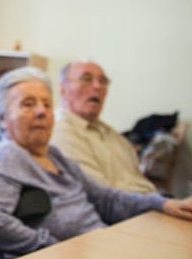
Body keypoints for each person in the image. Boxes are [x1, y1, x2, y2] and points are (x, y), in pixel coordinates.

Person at [0, 67, 192, 256]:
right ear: (2, 118)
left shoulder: (54, 156)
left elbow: (106, 198)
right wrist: (50, 247)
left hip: (100, 248)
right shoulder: (9, 153)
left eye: (46, 104)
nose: (41, 111)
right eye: (28, 104)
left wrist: (163, 203)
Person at [51, 60, 157, 193]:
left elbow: (138, 180)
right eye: (86, 79)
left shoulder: (111, 134)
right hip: (127, 211)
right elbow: (101, 196)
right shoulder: (60, 131)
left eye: (103, 81)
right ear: (63, 89)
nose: (97, 86)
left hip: (150, 203)